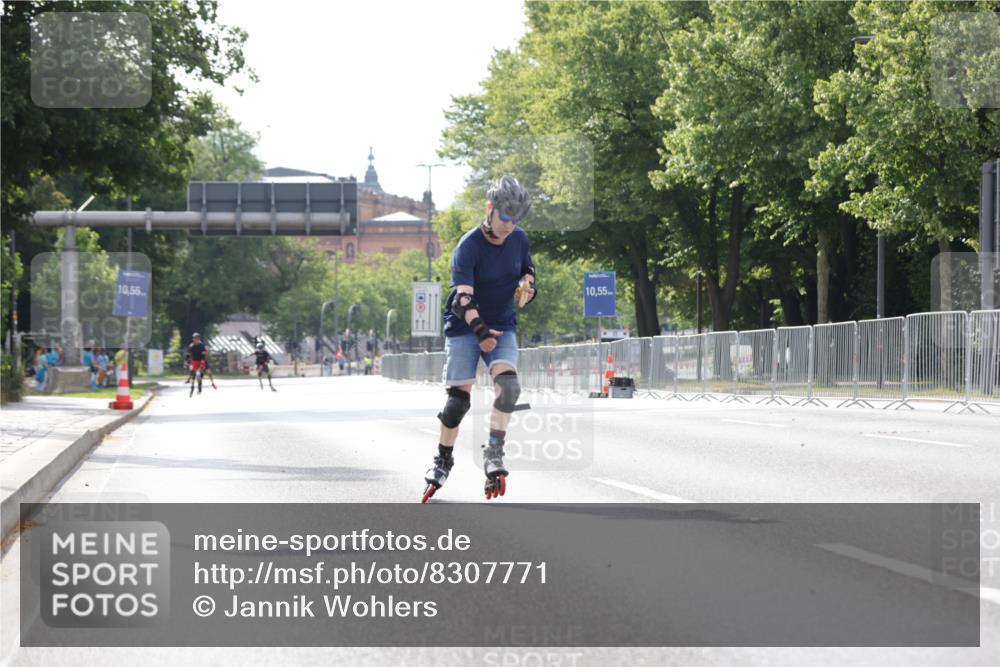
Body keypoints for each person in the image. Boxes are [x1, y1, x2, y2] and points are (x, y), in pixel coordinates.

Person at [421, 175, 536, 503]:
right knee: (458, 401)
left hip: (503, 322)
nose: (510, 226)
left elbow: (527, 270)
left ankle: (494, 453)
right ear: (490, 208)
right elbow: (462, 300)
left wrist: (529, 285)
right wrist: (481, 333)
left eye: (517, 220)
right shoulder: (468, 245)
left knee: (510, 388)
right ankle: (442, 460)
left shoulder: (519, 239)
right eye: (505, 218)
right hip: (465, 327)